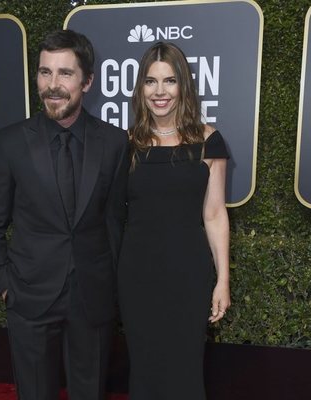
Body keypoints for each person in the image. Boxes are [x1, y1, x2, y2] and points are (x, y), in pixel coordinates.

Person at [0, 29, 129, 400]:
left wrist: (112, 286)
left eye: (65, 74)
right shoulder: (12, 141)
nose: (53, 85)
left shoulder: (114, 142)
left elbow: (115, 222)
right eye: (45, 73)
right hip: (27, 294)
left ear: (87, 81)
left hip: (92, 296)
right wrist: (4, 285)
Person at [117, 41, 231, 400]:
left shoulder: (208, 141)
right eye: (151, 82)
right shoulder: (126, 144)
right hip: (137, 275)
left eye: (169, 81)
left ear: (183, 85)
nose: (160, 91)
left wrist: (223, 280)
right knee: (145, 368)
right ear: (141, 89)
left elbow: (213, 214)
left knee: (185, 368)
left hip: (188, 275)